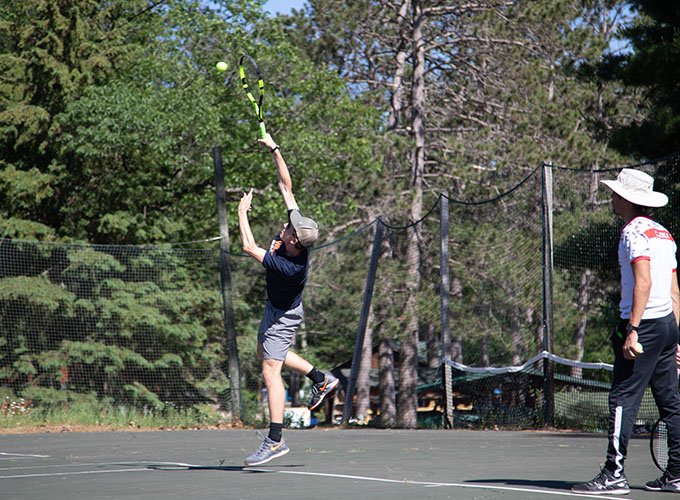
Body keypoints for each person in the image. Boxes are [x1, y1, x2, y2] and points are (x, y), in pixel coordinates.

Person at [572, 168, 680, 495]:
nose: (613, 197)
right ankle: (676, 474)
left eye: (617, 193)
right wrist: (676, 336)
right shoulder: (664, 233)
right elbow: (674, 291)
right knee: (671, 402)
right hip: (666, 326)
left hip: (643, 326)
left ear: (629, 200)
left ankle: (613, 474)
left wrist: (632, 329)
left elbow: (643, 282)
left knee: (622, 398)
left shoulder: (633, 233)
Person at [237, 133, 339, 466]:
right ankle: (321, 379)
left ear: (294, 241)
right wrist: (275, 147)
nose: (286, 223)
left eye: (289, 228)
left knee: (270, 370)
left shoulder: (288, 266)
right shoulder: (297, 236)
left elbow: (249, 247)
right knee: (265, 354)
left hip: (283, 315)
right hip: (277, 309)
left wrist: (242, 212)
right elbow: (286, 187)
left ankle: (275, 439)